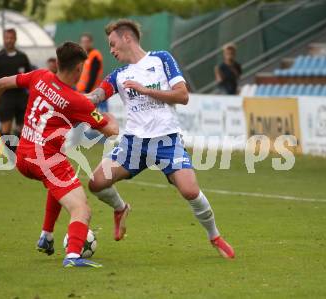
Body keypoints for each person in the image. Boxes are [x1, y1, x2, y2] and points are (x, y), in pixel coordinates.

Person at [86, 19, 235, 259]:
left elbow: (182, 95)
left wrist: (146, 90)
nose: (111, 50)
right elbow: (95, 96)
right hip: (134, 143)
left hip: (166, 140)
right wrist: (68, 99)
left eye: (113, 44)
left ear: (127, 38)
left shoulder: (161, 59)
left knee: (190, 190)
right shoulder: (119, 75)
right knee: (96, 183)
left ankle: (214, 236)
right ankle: (120, 208)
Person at [0, 41, 119, 268]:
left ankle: (46, 236)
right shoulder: (76, 101)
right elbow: (111, 131)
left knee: (59, 185)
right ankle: (74, 256)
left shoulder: (40, 76)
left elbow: (2, 82)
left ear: (57, 63)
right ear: (78, 69)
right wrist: (111, 117)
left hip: (23, 157)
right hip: (47, 161)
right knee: (81, 209)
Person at [0, 28, 32, 145]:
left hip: (21, 96)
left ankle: (19, 154)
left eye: (11, 38)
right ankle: (10, 154)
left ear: (15, 39)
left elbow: (31, 77)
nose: (9, 40)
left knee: (22, 128)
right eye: (7, 38)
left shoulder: (23, 57)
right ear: (3, 39)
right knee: (5, 128)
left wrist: (32, 94)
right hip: (5, 97)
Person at [76, 33, 107, 111]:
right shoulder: (82, 56)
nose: (85, 44)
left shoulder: (95, 55)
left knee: (93, 113)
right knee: (86, 113)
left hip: (91, 92)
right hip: (82, 92)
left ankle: (101, 122)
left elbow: (93, 76)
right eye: (83, 42)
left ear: (91, 43)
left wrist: (86, 91)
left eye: (87, 41)